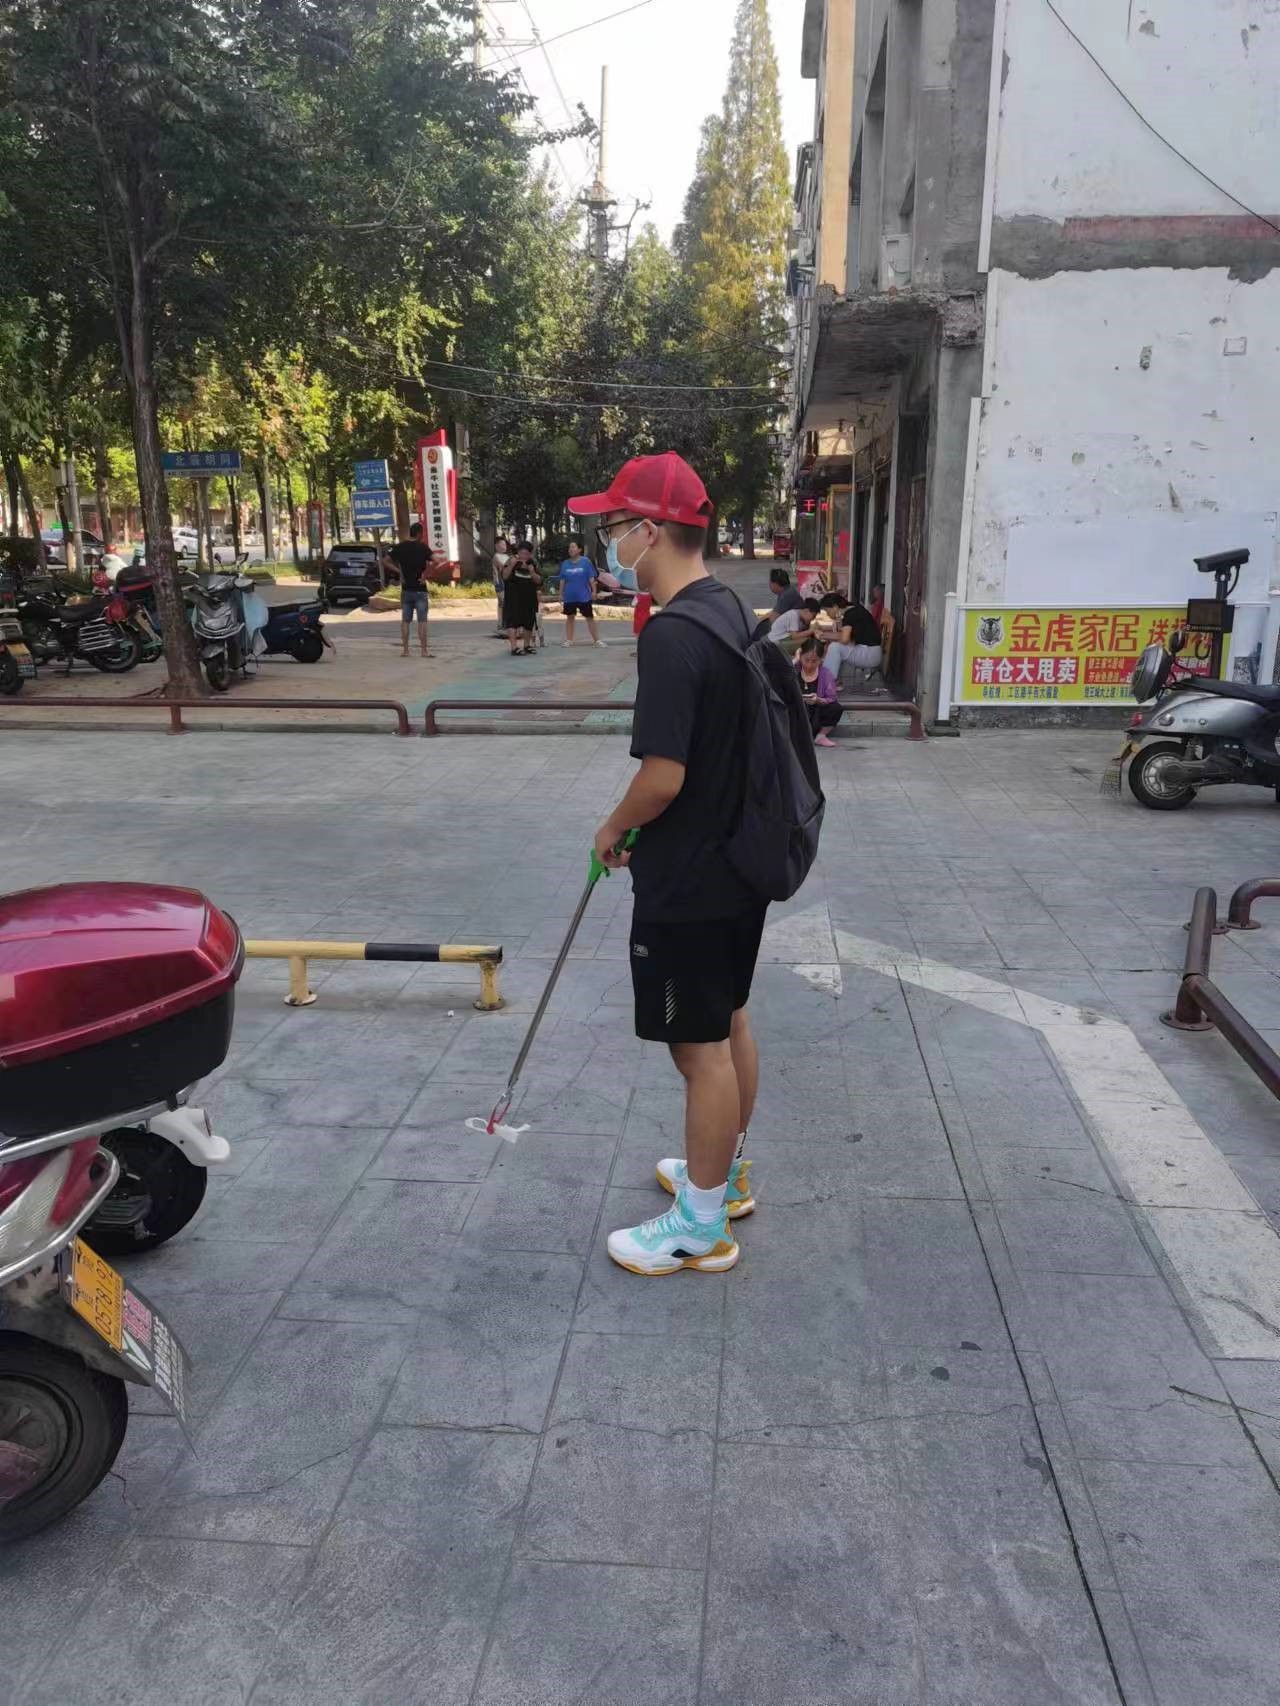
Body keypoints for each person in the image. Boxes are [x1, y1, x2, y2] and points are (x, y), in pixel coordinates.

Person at [569, 451, 763, 1278]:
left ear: (650, 531)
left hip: (691, 877)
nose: (608, 541)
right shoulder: (727, 609)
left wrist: (611, 829)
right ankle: (726, 1175)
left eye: (614, 525)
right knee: (730, 1021)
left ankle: (699, 1227)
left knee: (698, 1049)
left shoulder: (673, 635)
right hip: (739, 861)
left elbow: (663, 777)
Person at [382, 522, 432, 658]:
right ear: (419, 534)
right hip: (420, 590)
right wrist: (425, 576)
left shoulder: (400, 547)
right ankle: (424, 651)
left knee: (405, 621)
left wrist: (399, 572)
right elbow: (436, 561)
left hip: (406, 590)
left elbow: (385, 561)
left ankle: (405, 650)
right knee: (422, 621)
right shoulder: (423, 548)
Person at [820, 591, 883, 681]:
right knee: (835, 646)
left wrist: (825, 636)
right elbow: (844, 635)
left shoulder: (850, 614)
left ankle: (827, 682)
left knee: (835, 647)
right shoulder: (854, 609)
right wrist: (824, 635)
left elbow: (845, 639)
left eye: (827, 611)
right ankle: (832, 680)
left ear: (835, 607)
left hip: (870, 654)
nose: (828, 615)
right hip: (871, 651)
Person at [794, 637, 843, 748]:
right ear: (801, 656)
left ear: (821, 660)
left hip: (816, 716)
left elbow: (832, 698)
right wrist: (795, 659)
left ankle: (821, 736)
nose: (809, 665)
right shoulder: (793, 669)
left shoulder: (826, 674)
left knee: (836, 708)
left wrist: (818, 700)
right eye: (806, 660)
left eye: (814, 661)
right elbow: (779, 678)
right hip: (796, 715)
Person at [558, 538, 603, 648]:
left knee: (589, 617)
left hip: (584, 596)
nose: (570, 549)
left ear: (579, 549)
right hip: (569, 596)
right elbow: (562, 580)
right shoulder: (565, 564)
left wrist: (594, 591)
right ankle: (569, 640)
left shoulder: (586, 562)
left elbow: (591, 578)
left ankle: (597, 640)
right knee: (570, 617)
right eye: (569, 547)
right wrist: (560, 594)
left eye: (573, 547)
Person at [501, 538, 541, 655]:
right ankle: (514, 648)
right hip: (513, 598)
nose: (524, 556)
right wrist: (512, 565)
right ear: (518, 552)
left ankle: (527, 645)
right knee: (512, 622)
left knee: (529, 621)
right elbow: (504, 576)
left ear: (530, 554)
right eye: (521, 553)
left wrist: (532, 572)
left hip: (529, 598)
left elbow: (539, 581)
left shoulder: (532, 563)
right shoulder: (511, 560)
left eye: (526, 554)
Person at [490, 535, 511, 637]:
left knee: (505, 604)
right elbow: (505, 566)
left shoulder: (506, 556)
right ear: (496, 546)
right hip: (500, 584)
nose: (504, 546)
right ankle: (502, 625)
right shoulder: (497, 556)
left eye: (505, 544)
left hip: (508, 584)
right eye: (502, 544)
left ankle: (504, 625)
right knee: (503, 604)